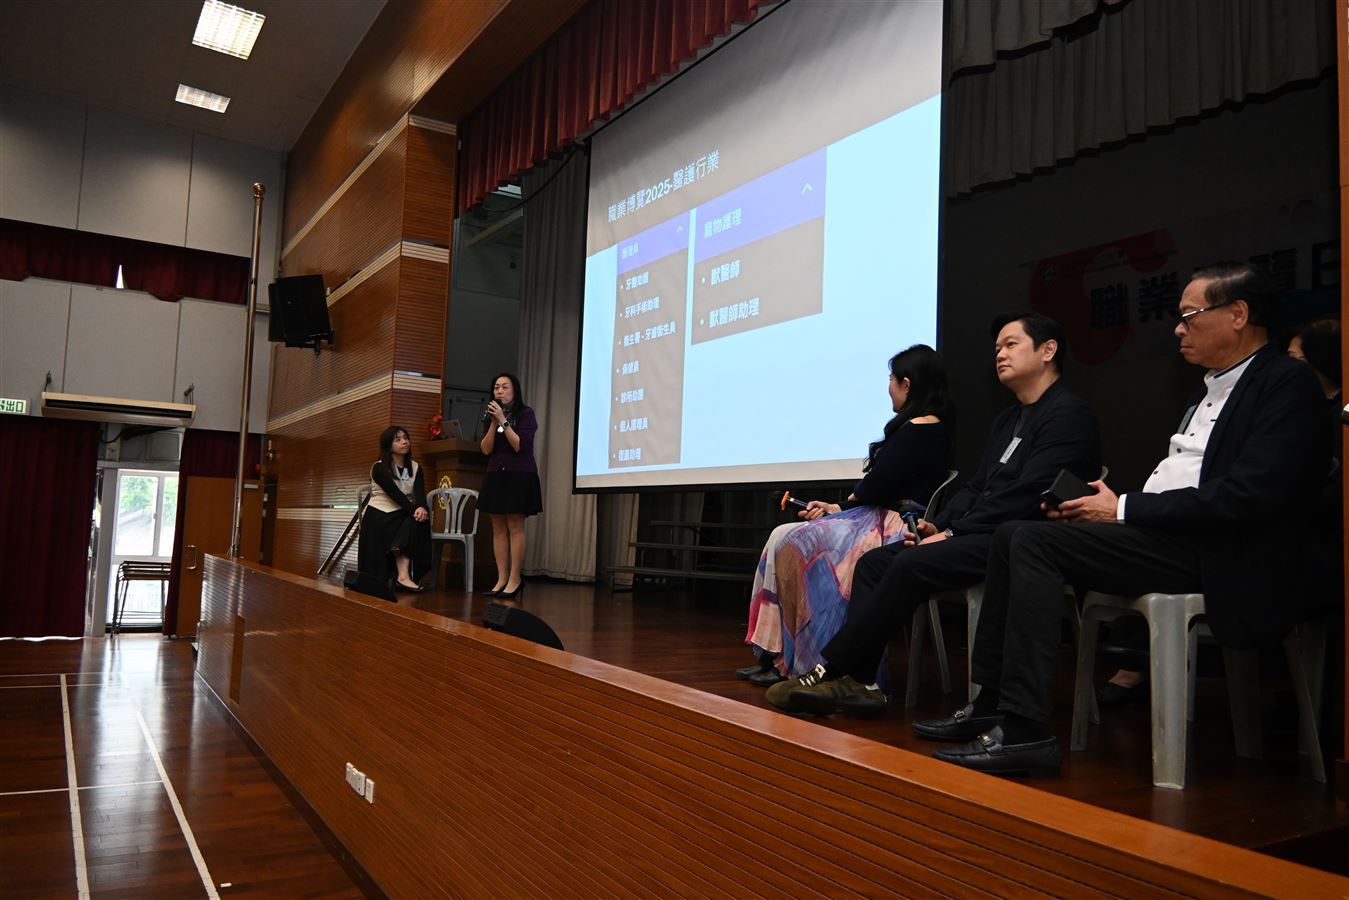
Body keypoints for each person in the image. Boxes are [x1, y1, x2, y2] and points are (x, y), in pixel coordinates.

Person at [918, 262, 1327, 777]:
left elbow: (1247, 496)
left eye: (1189, 316)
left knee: (1028, 540)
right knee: (1014, 535)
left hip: (1223, 550)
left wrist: (1123, 508)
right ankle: (992, 703)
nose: (1178, 329)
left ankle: (1024, 730)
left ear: (1238, 314)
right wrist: (1109, 507)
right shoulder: (1210, 388)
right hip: (1165, 534)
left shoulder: (1284, 382)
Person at [767, 312, 1101, 716]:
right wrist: (936, 525)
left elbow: (1030, 495)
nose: (1000, 354)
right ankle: (864, 682)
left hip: (1021, 539)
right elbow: (977, 487)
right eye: (997, 347)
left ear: (1048, 351)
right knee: (874, 564)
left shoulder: (1067, 414)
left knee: (910, 562)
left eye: (1011, 345)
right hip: (979, 532)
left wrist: (954, 532)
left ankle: (834, 668)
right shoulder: (1009, 419)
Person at [740, 344, 954, 686]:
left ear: (907, 384)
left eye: (891, 380)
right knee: (781, 535)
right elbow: (875, 488)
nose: (888, 387)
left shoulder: (920, 428)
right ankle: (776, 653)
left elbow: (879, 484)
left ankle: (812, 662)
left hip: (892, 525)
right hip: (871, 516)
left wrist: (850, 500)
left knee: (799, 545)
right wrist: (840, 506)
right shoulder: (919, 428)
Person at [479, 372, 542, 599]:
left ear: (515, 390)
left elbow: (520, 446)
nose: (499, 391)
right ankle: (501, 578)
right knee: (497, 527)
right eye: (496, 387)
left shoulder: (526, 414)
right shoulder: (491, 416)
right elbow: (486, 449)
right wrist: (493, 422)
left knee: (515, 526)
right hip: (496, 474)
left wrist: (503, 421)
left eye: (505, 387)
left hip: (519, 475)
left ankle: (515, 579)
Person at [358, 426, 431, 592]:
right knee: (412, 519)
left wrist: (421, 507)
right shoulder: (379, 468)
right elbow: (396, 495)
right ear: (388, 445)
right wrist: (415, 511)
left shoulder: (416, 467)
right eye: (398, 439)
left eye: (405, 438)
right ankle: (399, 556)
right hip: (380, 514)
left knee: (420, 518)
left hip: (403, 513)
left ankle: (403, 575)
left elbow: (420, 494)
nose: (404, 442)